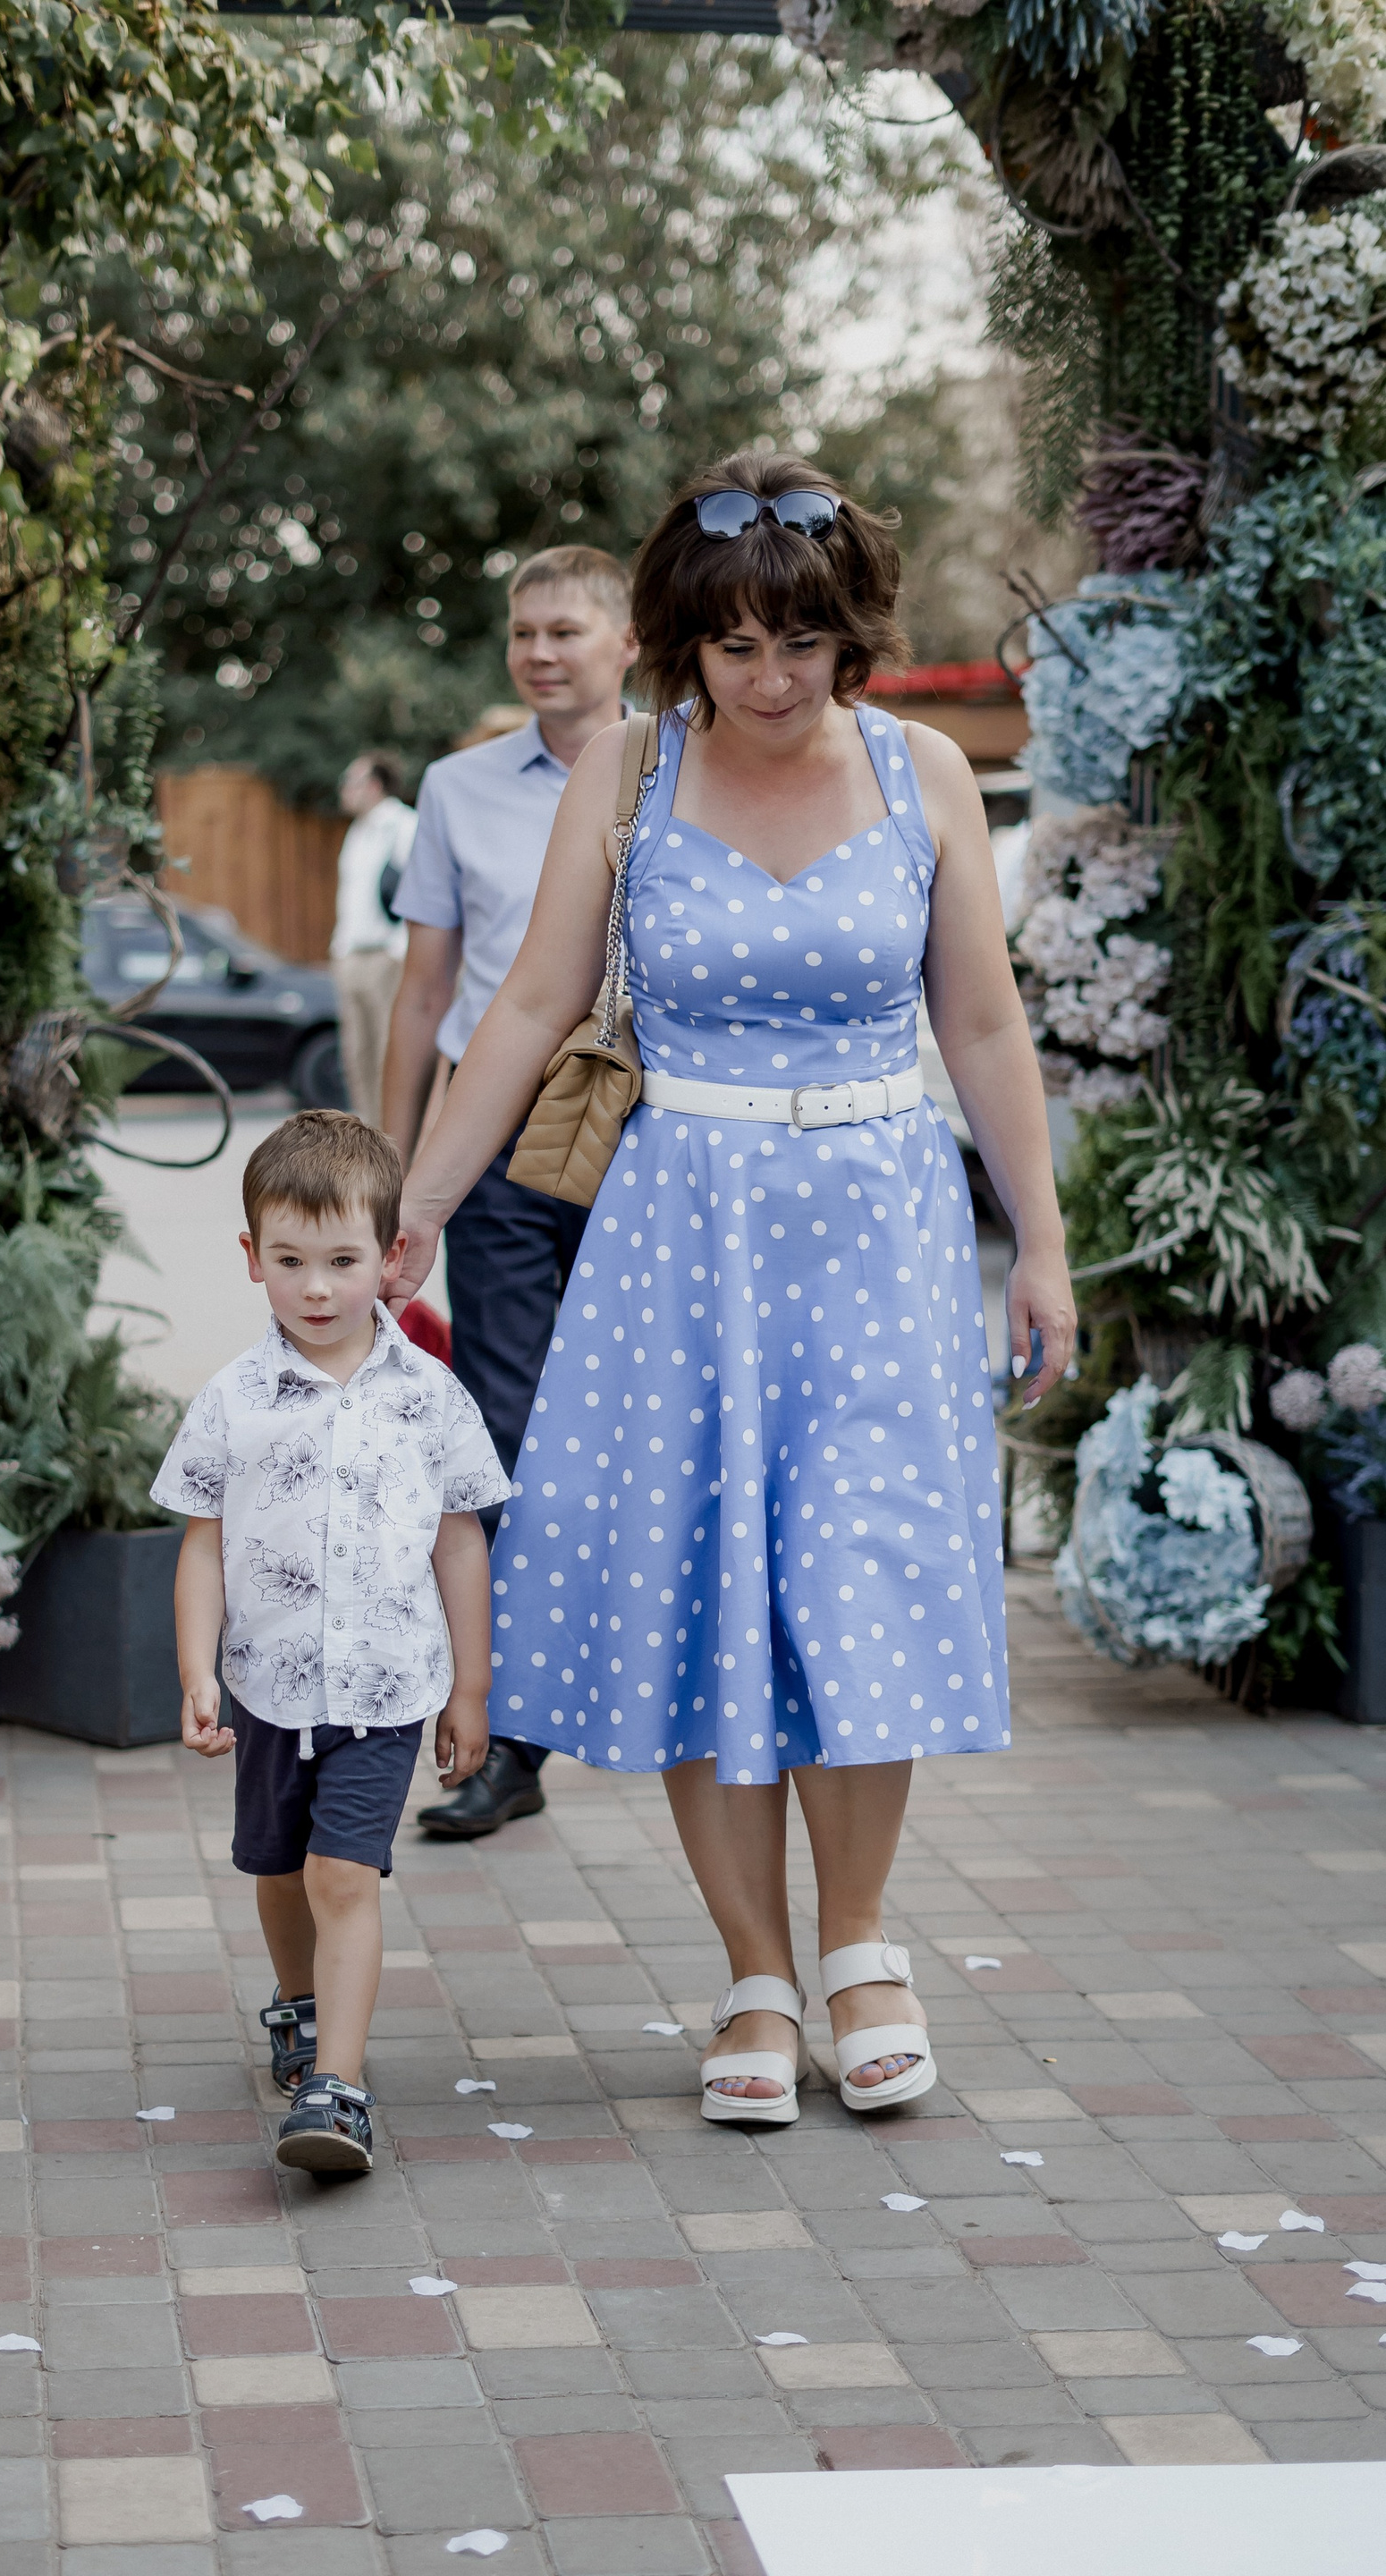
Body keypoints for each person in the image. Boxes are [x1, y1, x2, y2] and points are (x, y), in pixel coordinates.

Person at [389, 453, 1075, 2126]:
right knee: (703, 1592)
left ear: (854, 635)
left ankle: (863, 1949)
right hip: (679, 1233)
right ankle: (755, 1973)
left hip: (881, 1233)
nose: (771, 680)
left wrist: (1044, 1243)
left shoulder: (922, 772)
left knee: (859, 1582)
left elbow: (983, 1023)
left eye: (804, 643)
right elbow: (533, 1003)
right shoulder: (626, 771)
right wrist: (414, 1209)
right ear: (683, 640)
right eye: (736, 647)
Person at [155, 1109, 509, 2174]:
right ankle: (300, 2005)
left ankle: (336, 2090)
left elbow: (460, 1544)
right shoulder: (234, 1400)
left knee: (341, 1874)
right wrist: (197, 1671)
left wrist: (473, 1689)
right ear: (252, 1256)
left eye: (343, 1262)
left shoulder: (430, 1399)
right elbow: (204, 1545)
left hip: (388, 1687)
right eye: (291, 1261)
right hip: (269, 1686)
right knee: (277, 1867)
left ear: (391, 1256)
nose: (316, 1288)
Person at [382, 546, 638, 1838]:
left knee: (642, 1429)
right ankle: (512, 1737)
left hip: (646, 1140)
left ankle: (664, 1700)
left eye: (566, 630)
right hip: (497, 1146)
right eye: (523, 632)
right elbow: (426, 990)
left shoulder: (686, 768)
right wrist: (391, 1169)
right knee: (507, 1434)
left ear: (627, 642)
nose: (540, 651)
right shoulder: (456, 789)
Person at [330, 750, 417, 1125]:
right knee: (357, 1054)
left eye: (352, 781)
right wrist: (340, 949)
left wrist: (400, 948)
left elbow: (418, 890)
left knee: (388, 1053)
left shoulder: (403, 825)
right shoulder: (357, 832)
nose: (345, 790)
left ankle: (392, 1136)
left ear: (375, 785)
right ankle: (367, 1132)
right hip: (352, 956)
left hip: (386, 957)